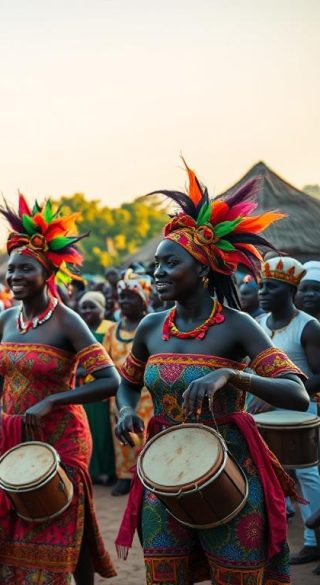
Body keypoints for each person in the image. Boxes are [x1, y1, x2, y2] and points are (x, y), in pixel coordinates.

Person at [114, 163, 310, 583]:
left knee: (237, 575)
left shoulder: (239, 326)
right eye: (156, 265)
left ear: (203, 269)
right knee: (165, 575)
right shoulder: (151, 328)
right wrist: (126, 411)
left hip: (231, 469)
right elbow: (127, 384)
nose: (158, 273)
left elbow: (296, 393)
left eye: (170, 264)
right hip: (164, 472)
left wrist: (233, 376)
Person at [0, 194, 119, 584]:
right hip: (11, 435)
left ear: (47, 273)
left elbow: (110, 380)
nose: (15, 277)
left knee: (61, 527)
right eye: (11, 270)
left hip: (61, 438)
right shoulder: (6, 319)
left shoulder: (68, 322)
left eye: (25, 269)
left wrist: (55, 398)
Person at [249, 256, 320, 574]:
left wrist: (277, 395)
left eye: (271, 287)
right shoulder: (259, 325)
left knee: (307, 476)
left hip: (302, 413)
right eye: (261, 286)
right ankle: (274, 542)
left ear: (290, 290)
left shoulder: (308, 326)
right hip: (264, 416)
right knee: (272, 477)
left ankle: (313, 541)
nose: (262, 292)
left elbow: (318, 375)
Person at [102, 270, 154, 497]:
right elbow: (104, 359)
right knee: (122, 436)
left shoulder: (151, 328)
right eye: (121, 297)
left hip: (147, 394)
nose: (124, 301)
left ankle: (148, 476)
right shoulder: (112, 331)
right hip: (120, 393)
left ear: (144, 301)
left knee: (148, 434)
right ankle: (125, 476)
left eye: (130, 297)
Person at [77, 290, 116, 486]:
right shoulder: (78, 328)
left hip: (102, 388)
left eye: (92, 306)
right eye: (84, 307)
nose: (87, 310)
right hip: (84, 389)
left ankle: (109, 471)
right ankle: (91, 472)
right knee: (88, 431)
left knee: (104, 434)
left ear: (103, 309)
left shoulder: (110, 328)